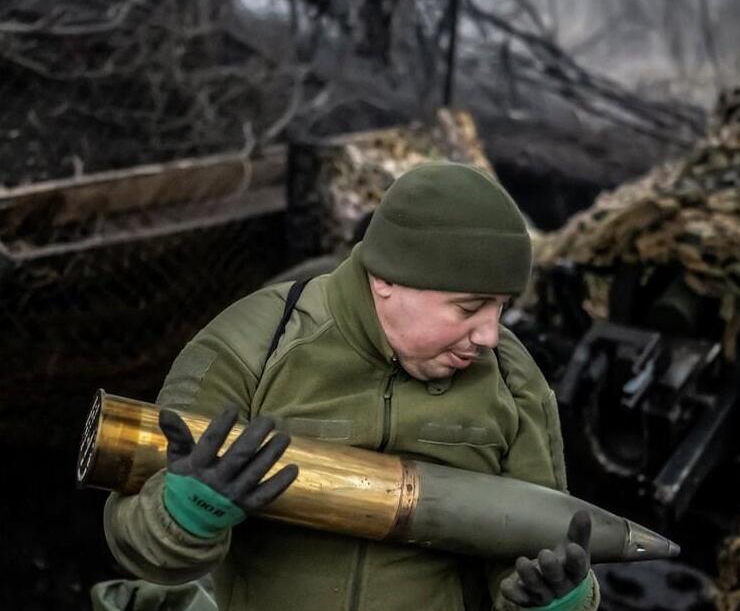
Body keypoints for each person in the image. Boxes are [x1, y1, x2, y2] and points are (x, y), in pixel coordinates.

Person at [102, 162, 600, 611]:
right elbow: (141, 547)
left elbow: (534, 544)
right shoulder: (252, 344)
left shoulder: (512, 381)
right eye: (469, 310)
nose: (490, 335)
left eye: (502, 308)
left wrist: (557, 600)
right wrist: (186, 513)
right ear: (387, 280)